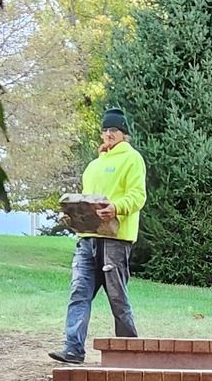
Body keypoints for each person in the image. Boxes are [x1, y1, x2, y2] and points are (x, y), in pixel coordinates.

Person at [50, 108, 147, 362]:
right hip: (87, 238)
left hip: (115, 240)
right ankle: (73, 348)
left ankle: (130, 352)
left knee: (117, 297)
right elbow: (86, 199)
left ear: (124, 134)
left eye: (113, 130)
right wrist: (73, 216)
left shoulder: (133, 159)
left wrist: (117, 208)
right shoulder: (93, 165)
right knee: (79, 291)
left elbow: (138, 196)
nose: (108, 134)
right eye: (105, 130)